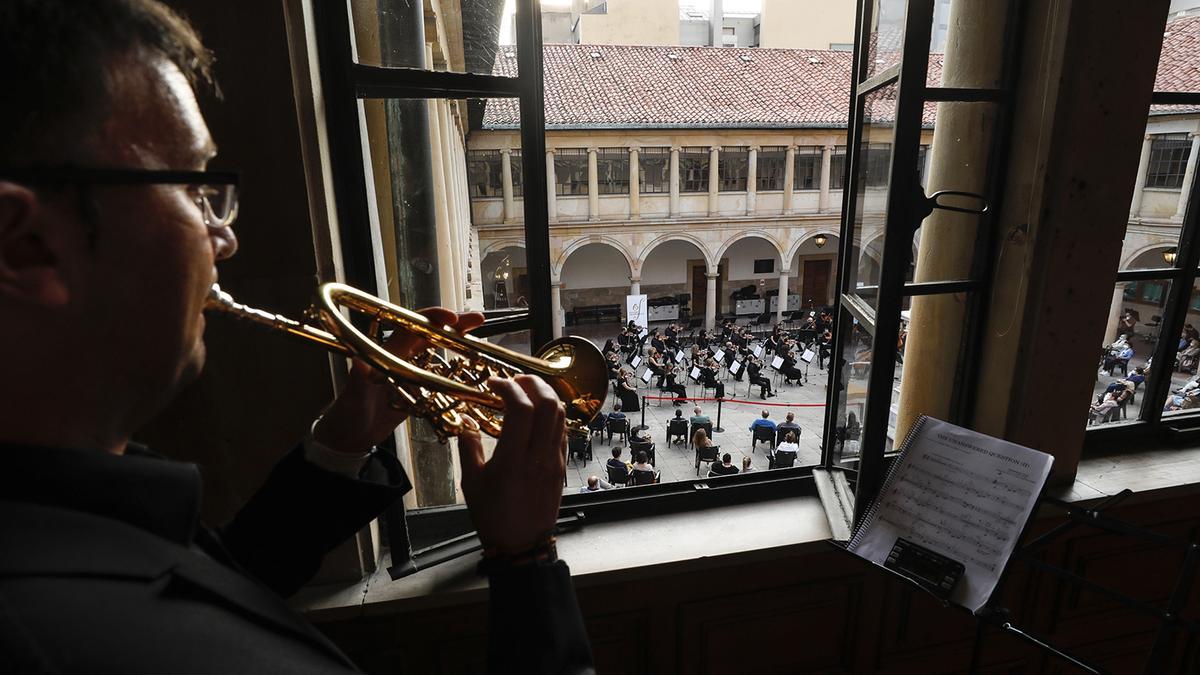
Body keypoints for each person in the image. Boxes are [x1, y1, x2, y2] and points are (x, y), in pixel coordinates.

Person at [0, 3, 592, 672]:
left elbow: (216, 575)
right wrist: (526, 559)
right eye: (194, 188)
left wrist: (340, 445)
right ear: (27, 245)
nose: (225, 237)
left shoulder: (75, 513)